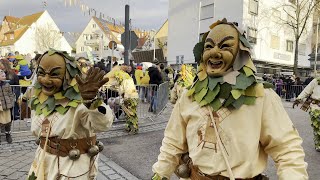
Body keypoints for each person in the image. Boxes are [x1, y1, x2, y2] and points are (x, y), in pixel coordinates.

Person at [152, 19, 307, 180]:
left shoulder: (262, 95)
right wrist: (160, 174)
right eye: (209, 46)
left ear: (241, 52)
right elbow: (173, 142)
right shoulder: (189, 95)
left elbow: (287, 150)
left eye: (225, 46)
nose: (214, 52)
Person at [28, 49, 114, 179]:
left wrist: (91, 102)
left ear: (67, 75)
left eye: (54, 75)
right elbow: (37, 130)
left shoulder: (80, 102)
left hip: (71, 167)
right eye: (41, 73)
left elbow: (103, 124)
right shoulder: (40, 99)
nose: (46, 80)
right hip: (43, 161)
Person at [293, 78, 320, 152]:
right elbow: (306, 91)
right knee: (317, 127)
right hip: (316, 108)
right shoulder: (316, 81)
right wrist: (298, 99)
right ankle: (318, 144)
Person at [0, 69, 15, 144]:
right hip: (0, 107)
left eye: (4, 75)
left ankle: (8, 135)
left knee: (8, 122)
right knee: (0, 122)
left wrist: (11, 102)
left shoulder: (7, 84)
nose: (4, 77)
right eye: (2, 75)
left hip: (7, 106)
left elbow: (11, 94)